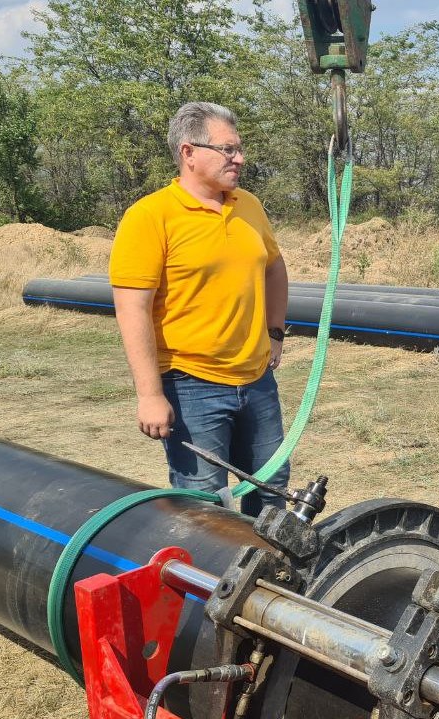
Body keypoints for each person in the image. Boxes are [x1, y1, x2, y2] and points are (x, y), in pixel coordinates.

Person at [110, 101, 290, 517]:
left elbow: (275, 269)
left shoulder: (248, 205)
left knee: (271, 486)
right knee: (204, 500)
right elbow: (132, 308)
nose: (239, 159)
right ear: (188, 152)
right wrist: (149, 394)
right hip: (192, 384)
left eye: (239, 148)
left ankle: (270, 575)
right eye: (227, 150)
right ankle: (211, 582)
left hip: (257, 379)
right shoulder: (150, 216)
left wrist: (274, 333)